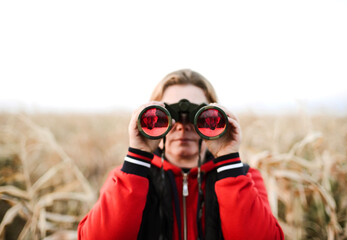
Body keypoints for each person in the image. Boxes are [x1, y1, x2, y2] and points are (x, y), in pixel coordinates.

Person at [77, 69, 284, 240]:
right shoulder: (128, 178)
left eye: (199, 117)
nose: (183, 126)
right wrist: (137, 159)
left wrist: (227, 160)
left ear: (216, 115)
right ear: (150, 115)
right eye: (166, 116)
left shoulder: (243, 177)